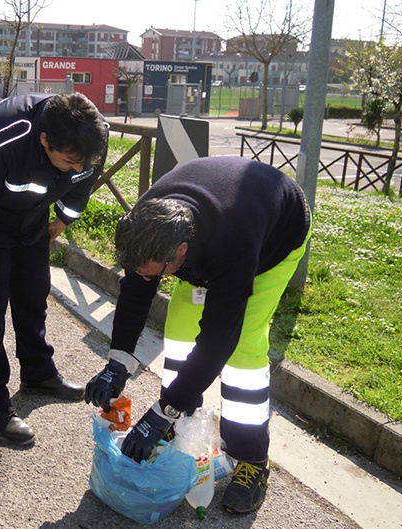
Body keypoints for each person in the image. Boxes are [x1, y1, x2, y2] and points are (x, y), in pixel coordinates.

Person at [85, 156, 311, 514]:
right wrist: (118, 363)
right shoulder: (147, 224)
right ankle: (181, 419)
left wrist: (161, 411)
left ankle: (251, 456)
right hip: (210, 227)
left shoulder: (233, 244)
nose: (147, 280)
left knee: (242, 349)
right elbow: (136, 293)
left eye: (155, 274)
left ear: (181, 252)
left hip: (275, 237)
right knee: (179, 331)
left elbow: (219, 339)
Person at [0, 92, 109, 445]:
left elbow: (85, 178)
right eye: (69, 161)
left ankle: (38, 372)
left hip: (33, 218)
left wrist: (63, 219)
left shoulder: (91, 138)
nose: (77, 168)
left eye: (83, 161)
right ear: (45, 139)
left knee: (34, 296)